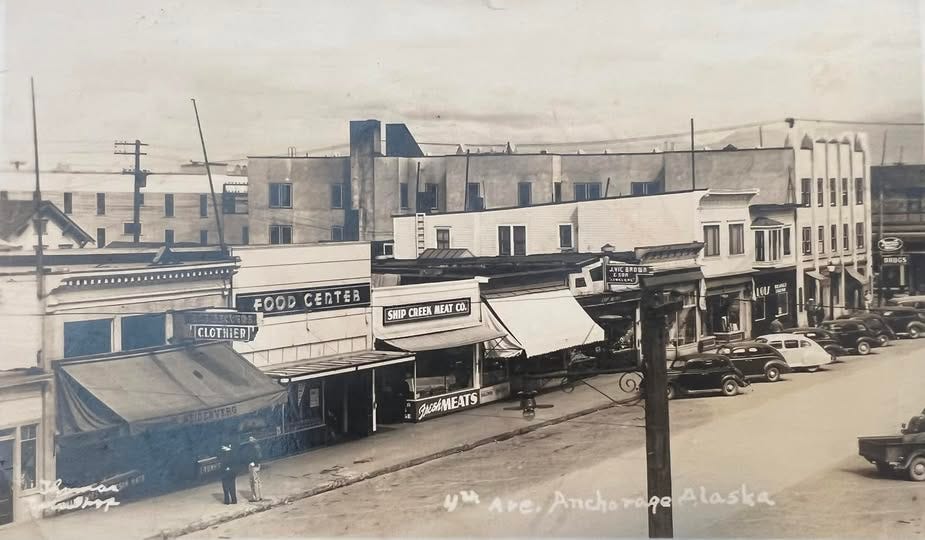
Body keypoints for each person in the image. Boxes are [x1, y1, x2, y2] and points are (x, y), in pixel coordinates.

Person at [244, 436, 264, 502]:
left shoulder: (253, 447)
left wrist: (254, 463)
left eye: (251, 439)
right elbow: (260, 456)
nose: (250, 440)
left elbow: (255, 456)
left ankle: (256, 497)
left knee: (253, 481)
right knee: (257, 481)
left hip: (253, 465)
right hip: (256, 465)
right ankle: (259, 496)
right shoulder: (257, 446)